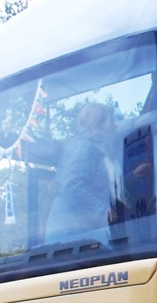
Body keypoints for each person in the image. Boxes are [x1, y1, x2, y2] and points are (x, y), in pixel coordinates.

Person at [46, 102, 123, 242]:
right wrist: (102, 212)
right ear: (97, 123)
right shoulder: (83, 146)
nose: (115, 126)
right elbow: (72, 185)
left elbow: (97, 187)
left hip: (81, 231)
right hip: (69, 234)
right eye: (111, 121)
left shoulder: (98, 147)